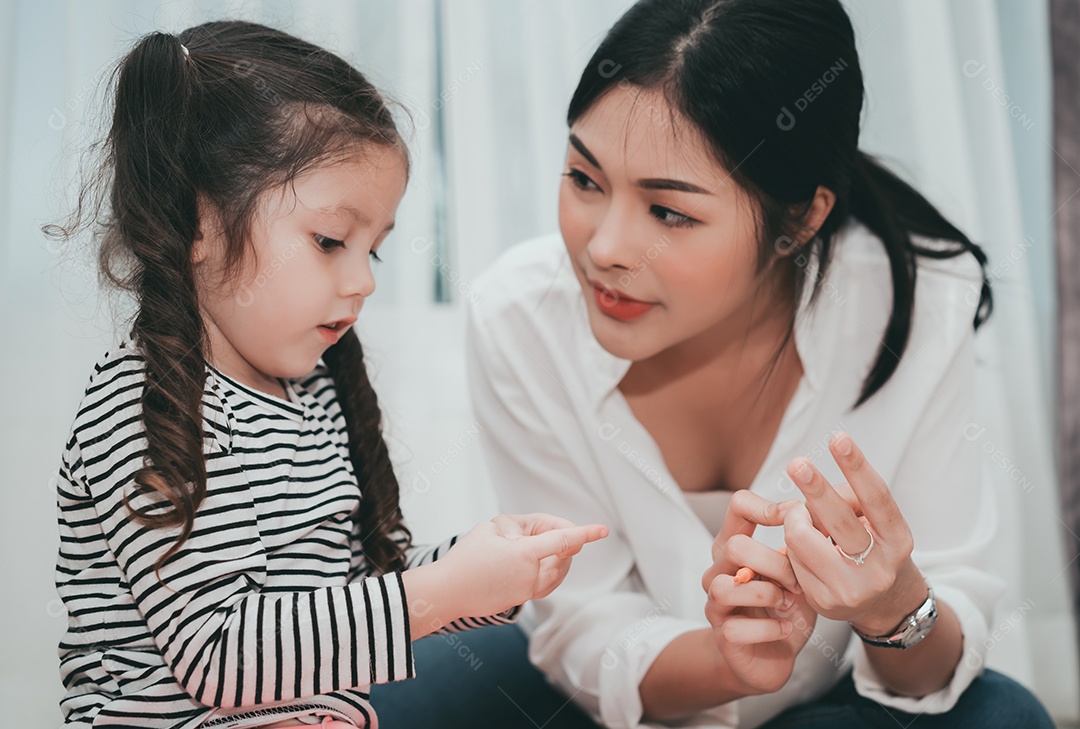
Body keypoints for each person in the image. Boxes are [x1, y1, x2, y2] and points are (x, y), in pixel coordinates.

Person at [378, 0, 1057, 727]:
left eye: (669, 212)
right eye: (584, 178)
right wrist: (726, 662)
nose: (604, 248)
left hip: (834, 698)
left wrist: (890, 607)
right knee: (370, 699)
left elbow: (934, 656)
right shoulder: (519, 317)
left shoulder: (916, 300)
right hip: (622, 697)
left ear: (800, 219)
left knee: (1003, 715)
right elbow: (585, 623)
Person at [46, 21, 606, 728]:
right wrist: (443, 589)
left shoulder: (310, 397)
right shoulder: (143, 405)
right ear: (198, 223)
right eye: (331, 241)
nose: (363, 280)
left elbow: (345, 600)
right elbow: (218, 654)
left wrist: (481, 569)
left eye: (374, 250)